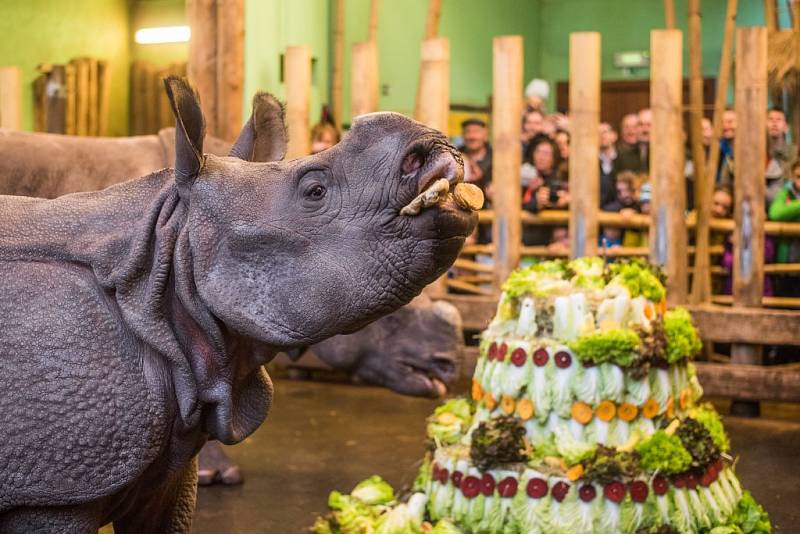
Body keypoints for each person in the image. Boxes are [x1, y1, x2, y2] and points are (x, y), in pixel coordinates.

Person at [521, 137, 567, 245]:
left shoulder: (559, 179)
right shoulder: (527, 176)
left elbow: (536, 204)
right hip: (527, 240)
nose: (540, 157)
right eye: (538, 152)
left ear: (554, 157)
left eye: (546, 153)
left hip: (551, 241)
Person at [768, 160, 800, 297]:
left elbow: (784, 212)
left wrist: (790, 211)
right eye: (799, 177)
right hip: (785, 261)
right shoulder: (785, 193)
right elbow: (776, 213)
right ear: (793, 176)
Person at [765, 107, 796, 204]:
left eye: (779, 119)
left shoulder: (794, 151)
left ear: (786, 127)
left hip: (785, 197)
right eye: (770, 119)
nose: (774, 123)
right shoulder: (758, 150)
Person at [599, 122, 619, 206]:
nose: (601, 136)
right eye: (597, 134)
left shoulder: (624, 158)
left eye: (604, 132)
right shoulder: (591, 162)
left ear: (614, 136)